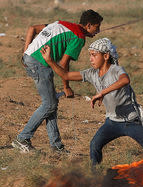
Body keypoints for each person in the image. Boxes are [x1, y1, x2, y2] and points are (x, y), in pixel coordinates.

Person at [41, 38, 143, 168]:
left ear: (106, 56)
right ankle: (96, 176)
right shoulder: (91, 73)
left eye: (94, 55)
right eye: (90, 55)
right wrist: (49, 61)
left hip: (133, 122)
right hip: (112, 122)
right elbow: (66, 75)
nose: (91, 59)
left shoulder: (116, 70)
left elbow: (125, 80)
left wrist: (102, 92)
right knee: (95, 145)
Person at [12, 9, 103, 153]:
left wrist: (26, 52)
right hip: (39, 63)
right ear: (89, 25)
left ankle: (56, 145)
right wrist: (66, 86)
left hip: (31, 58)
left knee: (51, 102)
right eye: (97, 27)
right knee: (49, 104)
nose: (98, 31)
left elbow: (32, 28)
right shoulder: (79, 37)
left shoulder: (61, 23)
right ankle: (22, 138)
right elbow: (63, 64)